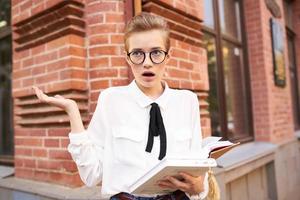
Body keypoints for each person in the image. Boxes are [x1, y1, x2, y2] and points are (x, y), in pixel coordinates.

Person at [32, 12, 209, 200]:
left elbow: (197, 171)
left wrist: (199, 188)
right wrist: (72, 112)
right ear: (127, 58)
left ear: (168, 57)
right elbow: (92, 175)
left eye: (156, 53)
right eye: (137, 54)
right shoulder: (110, 100)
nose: (147, 63)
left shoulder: (187, 101)